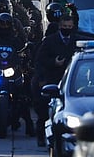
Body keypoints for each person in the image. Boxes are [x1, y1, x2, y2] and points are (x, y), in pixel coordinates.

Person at [32, 14, 79, 146]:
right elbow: (39, 61)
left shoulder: (76, 41)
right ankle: (41, 137)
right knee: (44, 112)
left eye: (69, 27)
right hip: (50, 80)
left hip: (69, 81)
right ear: (59, 26)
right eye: (64, 26)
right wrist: (54, 63)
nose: (67, 29)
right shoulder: (49, 41)